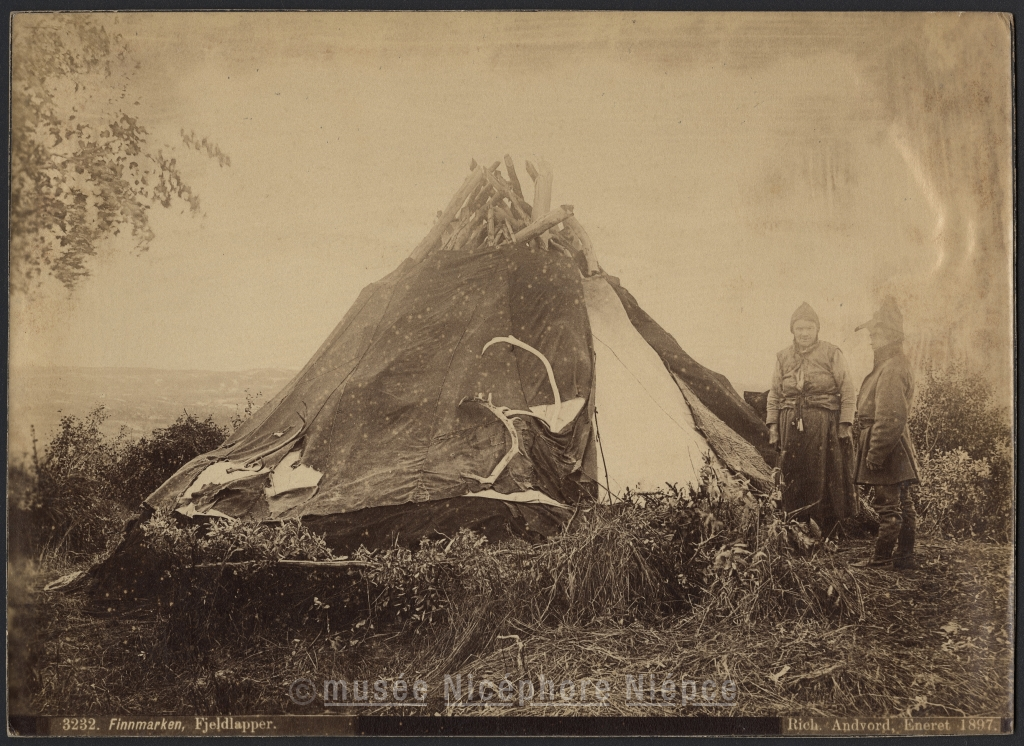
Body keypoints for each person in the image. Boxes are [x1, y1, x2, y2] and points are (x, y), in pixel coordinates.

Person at [766, 302, 857, 537]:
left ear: (817, 329)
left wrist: (845, 425)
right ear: (792, 330)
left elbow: (847, 390)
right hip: (790, 425)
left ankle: (827, 530)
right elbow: (774, 394)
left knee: (824, 474)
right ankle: (795, 527)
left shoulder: (831, 353)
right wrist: (773, 427)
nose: (804, 333)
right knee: (793, 474)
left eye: (809, 328)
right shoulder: (783, 357)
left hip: (823, 425)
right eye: (799, 328)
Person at [851, 297, 920, 569]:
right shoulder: (893, 363)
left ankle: (882, 558)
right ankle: (904, 557)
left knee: (888, 505)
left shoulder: (891, 367)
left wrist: (876, 453)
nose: (871, 338)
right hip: (895, 443)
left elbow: (890, 418)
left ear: (891, 336)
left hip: (886, 444)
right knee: (903, 501)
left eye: (876, 334)